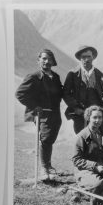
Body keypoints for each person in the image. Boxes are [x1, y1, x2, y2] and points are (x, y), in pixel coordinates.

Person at [15, 49, 63, 181]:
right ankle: (44, 168)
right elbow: (19, 94)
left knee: (50, 140)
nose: (47, 61)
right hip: (42, 115)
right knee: (45, 139)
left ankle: (48, 165)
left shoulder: (56, 77)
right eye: (44, 58)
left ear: (53, 62)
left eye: (49, 59)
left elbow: (60, 94)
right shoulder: (34, 76)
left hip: (55, 114)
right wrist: (34, 106)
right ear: (39, 60)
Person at [63, 45, 103, 134]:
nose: (86, 59)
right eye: (83, 57)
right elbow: (66, 94)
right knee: (82, 140)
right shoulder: (72, 74)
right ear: (79, 58)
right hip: (80, 114)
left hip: (97, 115)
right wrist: (75, 107)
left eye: (89, 56)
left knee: (98, 140)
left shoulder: (100, 75)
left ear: (93, 57)